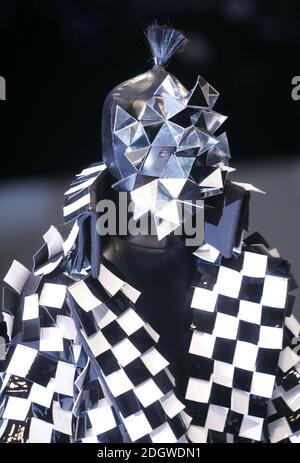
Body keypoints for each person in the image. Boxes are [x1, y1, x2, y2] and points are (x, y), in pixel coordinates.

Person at [0, 23, 299, 443]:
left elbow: (289, 413)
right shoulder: (54, 293)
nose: (184, 160)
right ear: (120, 153)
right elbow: (29, 424)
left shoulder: (256, 279)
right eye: (159, 145)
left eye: (192, 141)